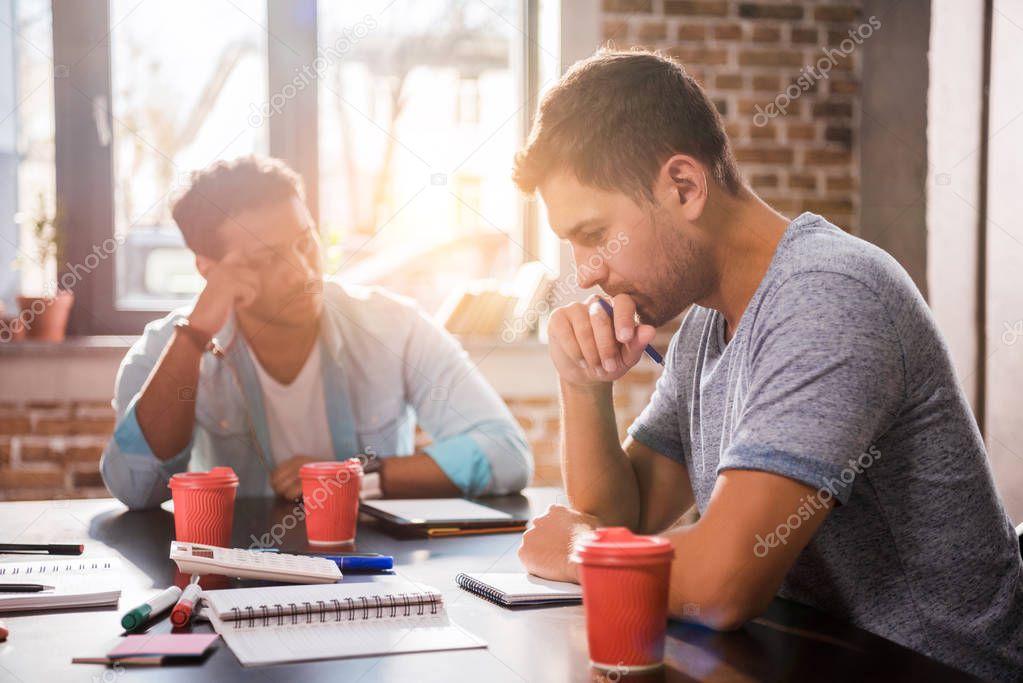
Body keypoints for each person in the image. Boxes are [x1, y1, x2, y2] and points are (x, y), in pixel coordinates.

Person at [513, 50, 1022, 681]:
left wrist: (574, 550)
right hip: (807, 658)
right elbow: (629, 517)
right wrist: (582, 385)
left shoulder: (831, 294)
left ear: (684, 186)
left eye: (594, 234)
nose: (586, 271)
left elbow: (721, 584)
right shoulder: (706, 321)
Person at [100, 156, 531, 510]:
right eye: (266, 259)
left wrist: (356, 476)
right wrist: (193, 339)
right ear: (209, 270)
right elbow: (135, 489)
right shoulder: (167, 349)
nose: (303, 273)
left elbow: (506, 453)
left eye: (305, 243)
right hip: (231, 579)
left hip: (370, 577)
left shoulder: (394, 326)